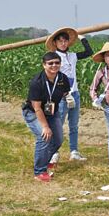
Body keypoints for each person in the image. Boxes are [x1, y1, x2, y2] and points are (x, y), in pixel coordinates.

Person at [45, 27, 93, 163]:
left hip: (75, 94)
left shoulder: (72, 56)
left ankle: (74, 151)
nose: (63, 43)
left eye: (65, 40)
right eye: (60, 41)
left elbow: (89, 52)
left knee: (74, 125)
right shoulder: (53, 57)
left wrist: (82, 38)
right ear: (55, 43)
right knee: (57, 125)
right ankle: (54, 152)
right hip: (60, 97)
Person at [22, 52, 71, 182]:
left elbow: (65, 92)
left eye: (57, 63)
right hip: (34, 112)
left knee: (58, 140)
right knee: (45, 137)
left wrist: (69, 99)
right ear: (44, 65)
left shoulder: (62, 78)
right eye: (50, 63)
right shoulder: (37, 82)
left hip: (51, 112)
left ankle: (45, 160)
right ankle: (39, 171)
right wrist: (45, 127)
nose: (54, 65)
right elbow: (37, 107)